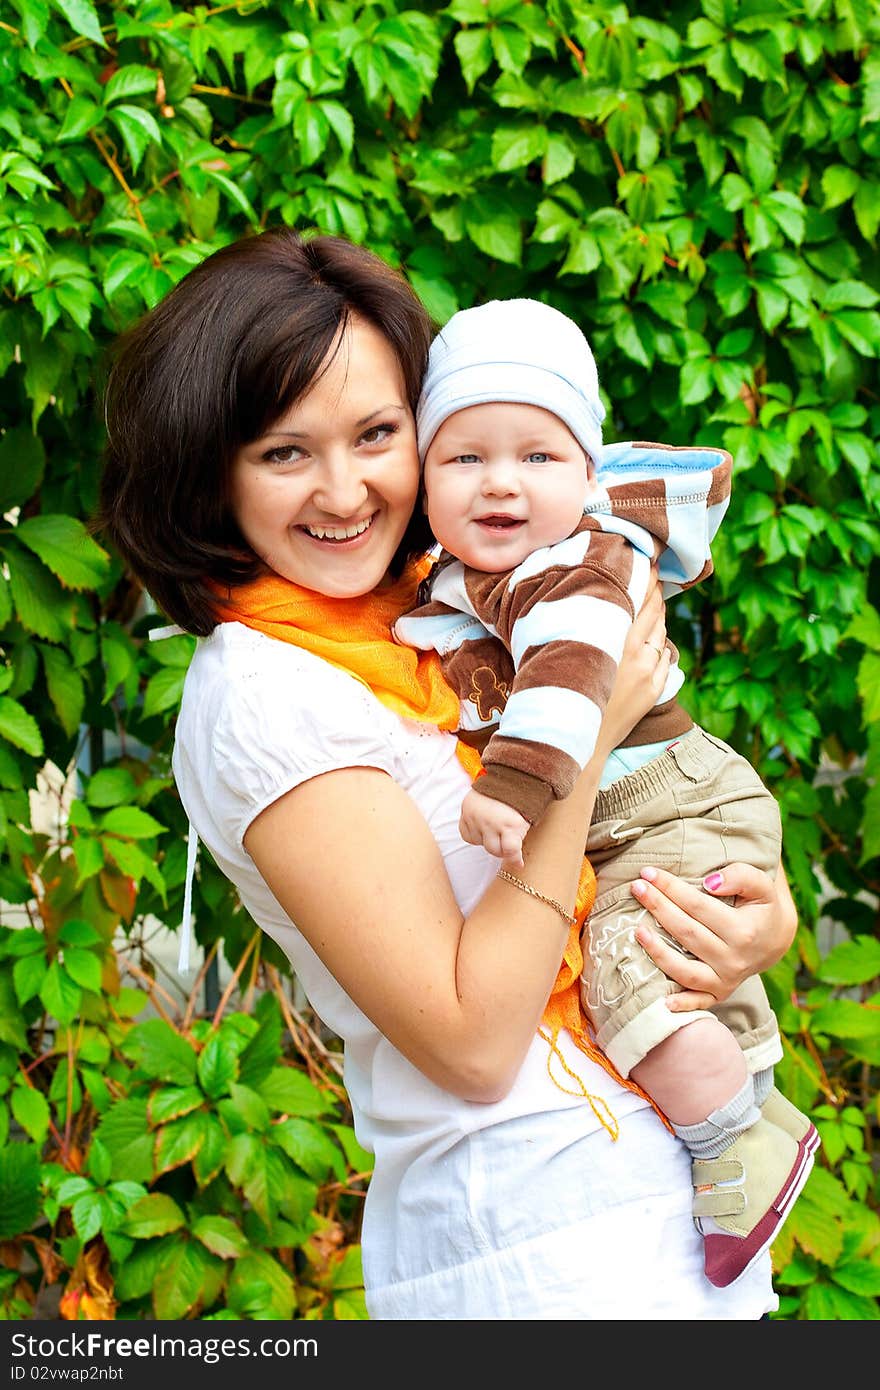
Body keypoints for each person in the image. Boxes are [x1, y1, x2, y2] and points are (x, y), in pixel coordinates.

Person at [96, 225, 801, 1321]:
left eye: (377, 434)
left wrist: (739, 927)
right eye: (285, 452)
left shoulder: (457, 612)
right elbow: (473, 1041)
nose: (345, 491)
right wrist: (581, 735)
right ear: (211, 474)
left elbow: (639, 826)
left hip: (668, 1223)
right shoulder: (265, 700)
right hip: (529, 1248)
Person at [393, 296, 818, 1289]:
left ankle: (738, 1141)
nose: (501, 483)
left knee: (628, 973)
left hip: (661, 800)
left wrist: (516, 786)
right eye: (465, 458)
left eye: (537, 457)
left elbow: (571, 676)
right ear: (424, 476)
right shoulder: (462, 576)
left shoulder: (574, 564)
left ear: (588, 474)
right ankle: (740, 1100)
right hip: (645, 803)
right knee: (661, 963)